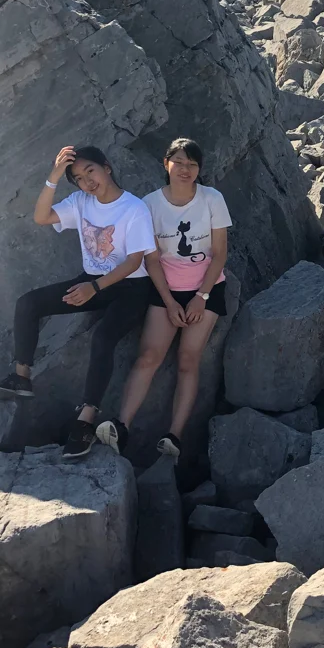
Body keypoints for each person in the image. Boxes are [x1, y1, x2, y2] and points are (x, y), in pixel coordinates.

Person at [0, 145, 156, 461]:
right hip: (92, 280)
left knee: (103, 338)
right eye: (78, 178)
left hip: (131, 287)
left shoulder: (134, 208)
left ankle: (85, 422)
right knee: (28, 304)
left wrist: (94, 288)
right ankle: (22, 376)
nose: (87, 181)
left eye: (90, 171)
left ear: (106, 167)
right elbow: (41, 217)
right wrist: (54, 177)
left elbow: (135, 261)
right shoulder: (81, 202)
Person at [95, 138, 231, 462]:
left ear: (199, 169)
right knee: (149, 356)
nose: (185, 169)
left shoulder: (212, 199)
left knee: (188, 359)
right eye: (179, 162)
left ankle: (174, 436)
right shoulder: (150, 205)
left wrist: (201, 297)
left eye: (192, 164)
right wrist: (169, 302)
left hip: (206, 289)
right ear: (166, 163)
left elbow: (220, 254)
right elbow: (152, 259)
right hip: (165, 289)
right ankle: (121, 425)